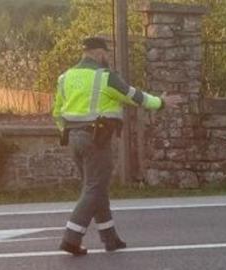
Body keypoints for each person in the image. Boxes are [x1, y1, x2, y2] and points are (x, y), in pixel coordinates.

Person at [52, 37, 182, 255]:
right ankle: (71, 238)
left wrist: (69, 132)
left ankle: (110, 238)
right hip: (97, 138)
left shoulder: (65, 77)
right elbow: (134, 96)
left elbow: (57, 112)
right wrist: (160, 103)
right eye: (107, 54)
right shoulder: (105, 77)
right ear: (99, 53)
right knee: (94, 188)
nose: (109, 58)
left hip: (73, 137)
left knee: (96, 188)